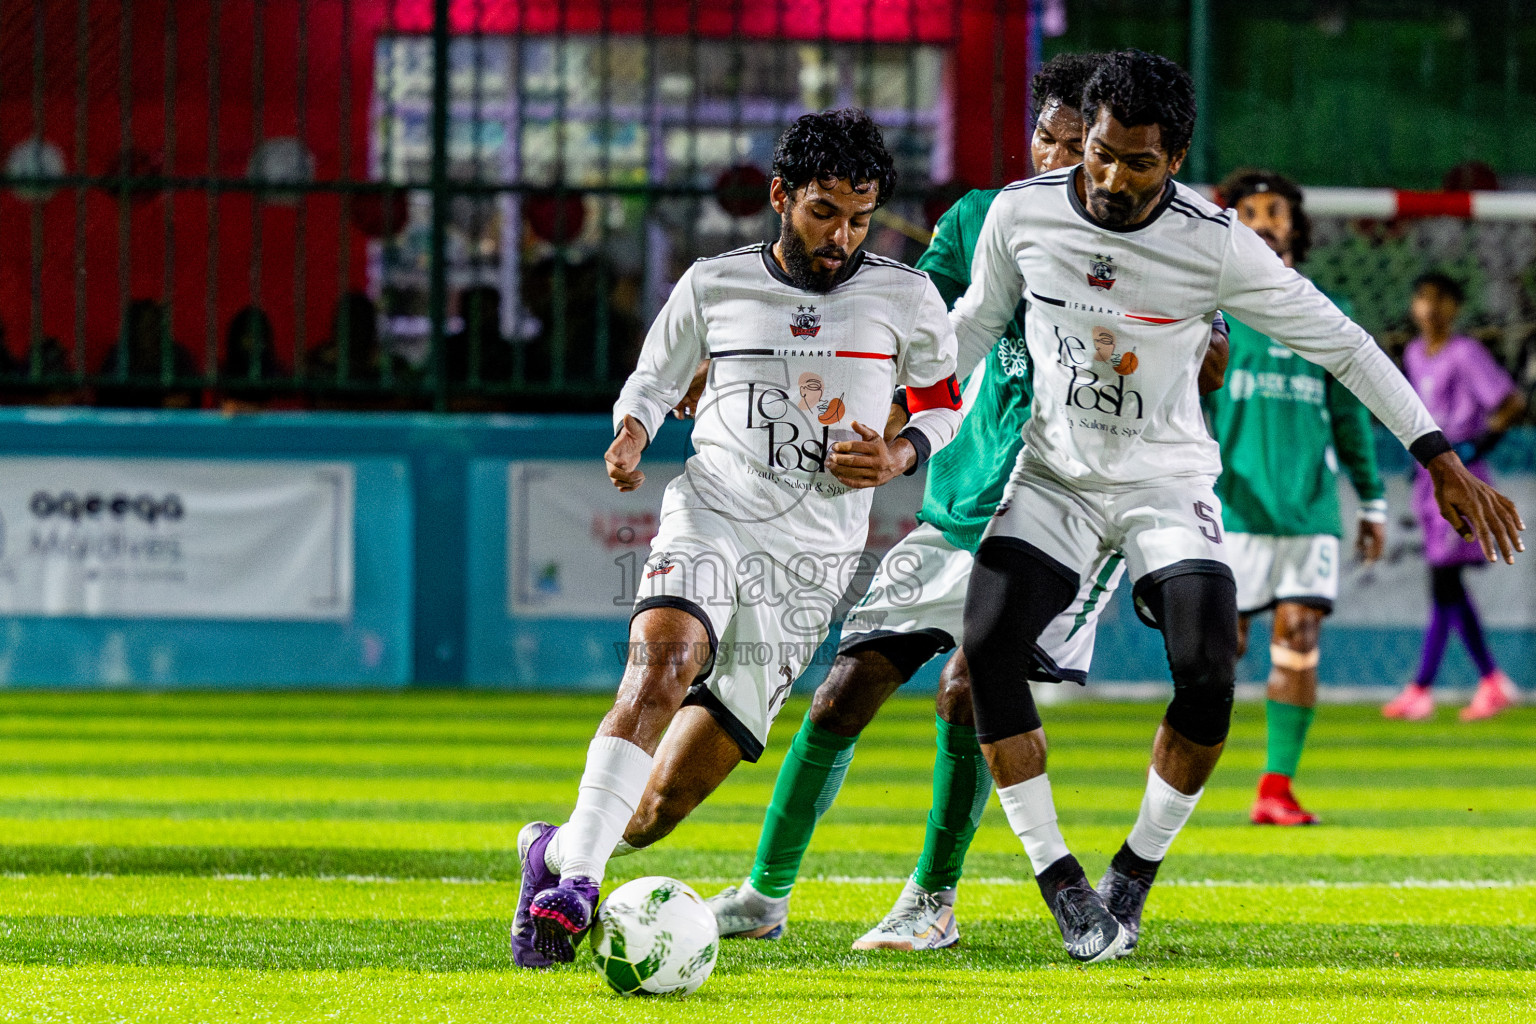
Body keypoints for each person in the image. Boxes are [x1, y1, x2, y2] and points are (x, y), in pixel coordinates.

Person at [948, 49, 1522, 963]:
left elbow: (1346, 346)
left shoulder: (1213, 242)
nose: (1110, 176)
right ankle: (1062, 882)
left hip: (1166, 483)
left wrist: (1439, 458)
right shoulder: (1022, 215)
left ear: (1174, 158)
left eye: (1138, 161)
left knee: (1210, 667)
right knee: (985, 649)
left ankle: (1132, 875)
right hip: (1052, 478)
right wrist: (885, 397)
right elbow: (970, 326)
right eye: (1099, 152)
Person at [706, 52, 1230, 952]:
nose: (1056, 158)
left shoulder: (1152, 234)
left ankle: (931, 900)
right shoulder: (988, 219)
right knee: (841, 694)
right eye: (1045, 138)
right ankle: (765, 892)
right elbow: (908, 320)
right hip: (960, 497)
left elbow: (1197, 351)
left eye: (1076, 146)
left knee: (964, 693)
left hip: (1062, 508)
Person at [512, 109, 965, 968]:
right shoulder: (713, 284)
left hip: (810, 566)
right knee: (661, 664)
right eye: (824, 212)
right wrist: (631, 433)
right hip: (712, 513)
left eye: (861, 218)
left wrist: (902, 449)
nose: (842, 237)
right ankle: (575, 889)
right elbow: (653, 376)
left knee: (650, 816)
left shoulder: (905, 297)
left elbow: (945, 403)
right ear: (780, 197)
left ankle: (554, 851)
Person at [1203, 169, 1387, 826]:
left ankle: (1275, 788)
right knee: (1220, 650)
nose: (1264, 220)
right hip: (1235, 509)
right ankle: (1184, 776)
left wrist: (1372, 501)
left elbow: (1351, 413)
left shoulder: (1327, 311)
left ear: (1295, 225)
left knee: (1299, 637)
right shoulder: (1211, 311)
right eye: (1249, 211)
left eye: (1276, 210)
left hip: (1309, 510)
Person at [1383, 273, 1527, 721]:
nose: (1430, 308)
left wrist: (1474, 447)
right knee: (1448, 585)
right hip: (1429, 476)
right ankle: (1491, 681)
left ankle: (1422, 686)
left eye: (1441, 300)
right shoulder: (1412, 353)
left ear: (1455, 307)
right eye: (1423, 298)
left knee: (1443, 581)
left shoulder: (1465, 353)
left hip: (1460, 477)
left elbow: (1510, 403)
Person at [94, 299, 200, 409]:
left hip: (169, 423)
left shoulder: (177, 356)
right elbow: (107, 402)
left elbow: (190, 398)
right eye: (143, 327)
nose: (150, 334)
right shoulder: (118, 358)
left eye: (154, 326)